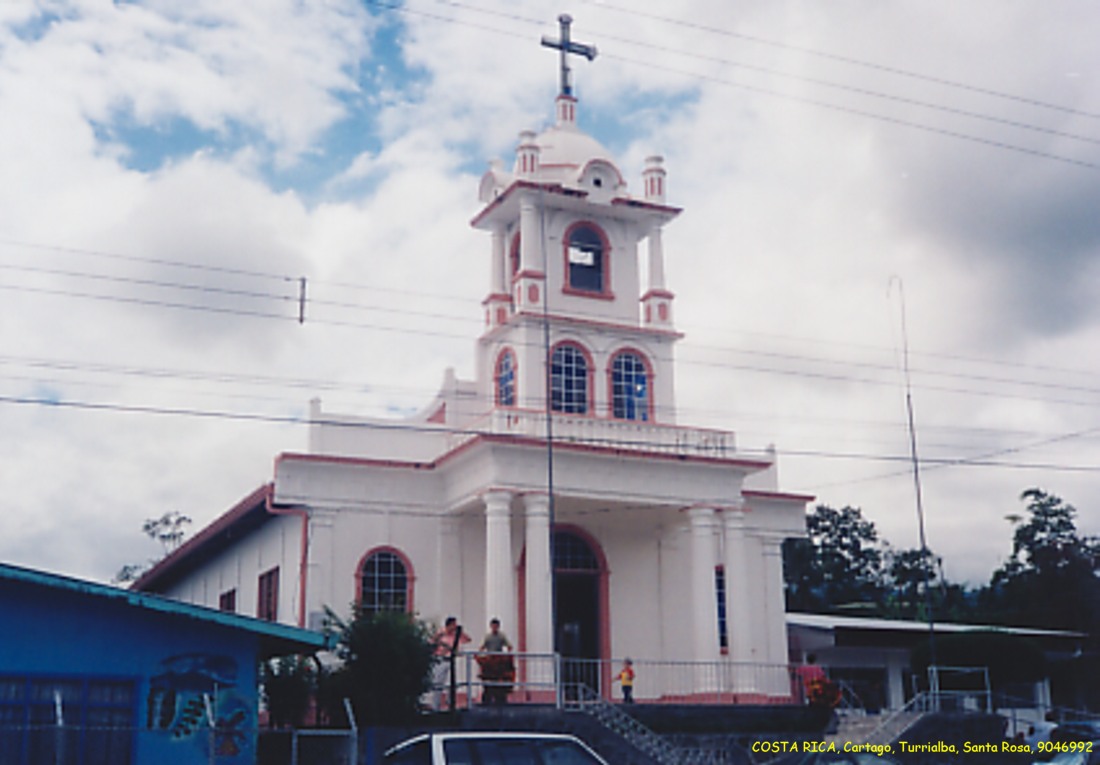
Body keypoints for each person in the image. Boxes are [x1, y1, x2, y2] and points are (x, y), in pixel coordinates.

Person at [431, 617, 470, 711]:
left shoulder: (456, 635)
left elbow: (468, 639)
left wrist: (460, 632)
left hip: (451, 660)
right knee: (438, 682)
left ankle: (450, 704)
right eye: (453, 625)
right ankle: (435, 705)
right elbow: (432, 641)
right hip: (441, 659)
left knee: (451, 683)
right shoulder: (441, 633)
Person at [476, 618, 514, 705]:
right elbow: (481, 647)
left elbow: (509, 646)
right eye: (493, 626)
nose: (495, 628)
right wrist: (480, 656)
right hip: (490, 661)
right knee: (489, 678)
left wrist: (508, 656)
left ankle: (500, 695)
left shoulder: (501, 636)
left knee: (500, 678)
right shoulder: (487, 637)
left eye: (496, 626)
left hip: (499, 661)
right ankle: (488, 697)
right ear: (491, 626)